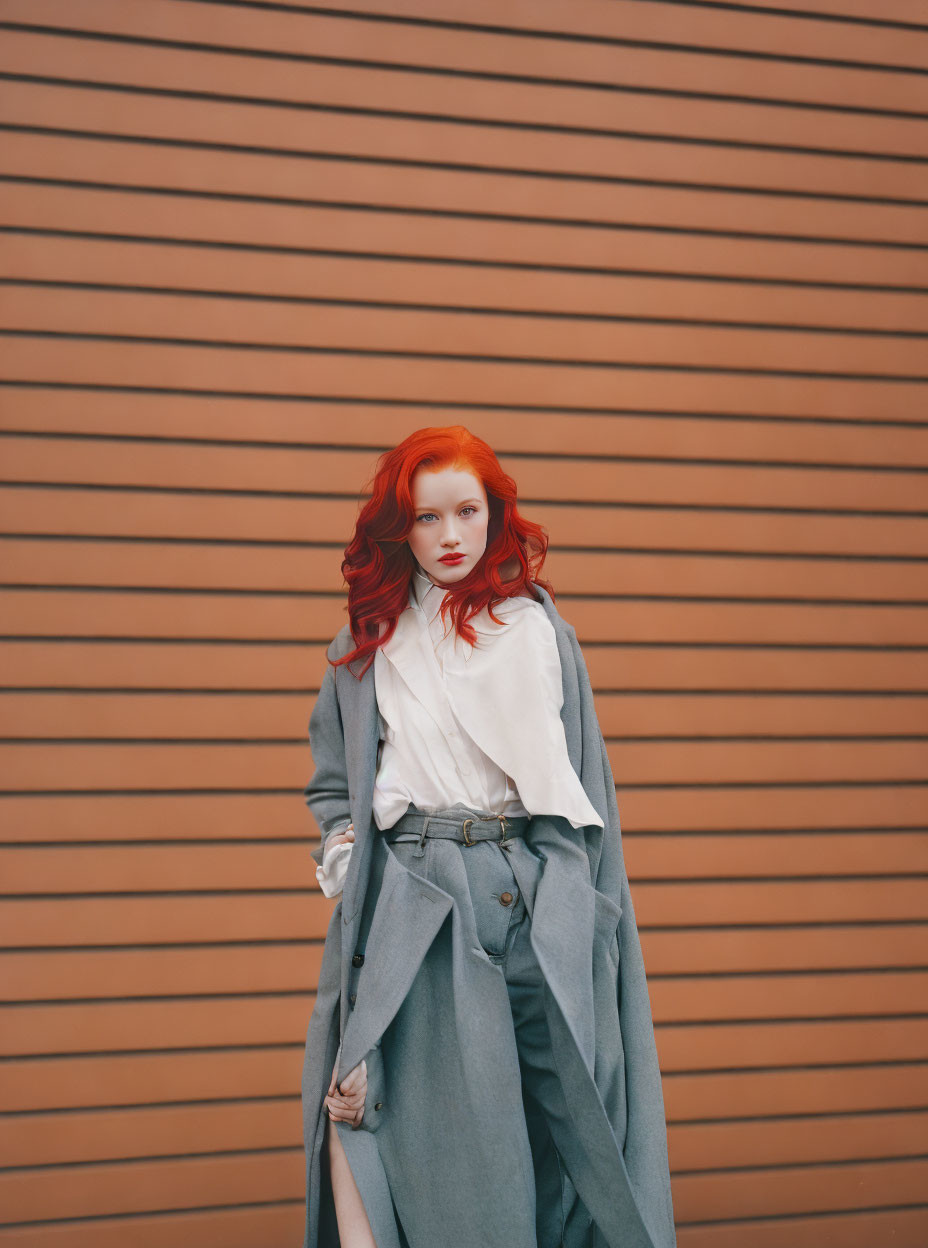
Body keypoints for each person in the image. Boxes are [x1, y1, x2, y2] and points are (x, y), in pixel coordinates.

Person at [300, 426, 676, 1248]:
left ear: (492, 513)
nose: (450, 537)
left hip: (534, 883)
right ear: (400, 529)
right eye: (427, 519)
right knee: (434, 1127)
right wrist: (346, 860)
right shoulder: (362, 648)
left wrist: (581, 904)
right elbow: (336, 787)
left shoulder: (537, 634)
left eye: (466, 512)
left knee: (582, 1109)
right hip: (423, 896)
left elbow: (582, 783)